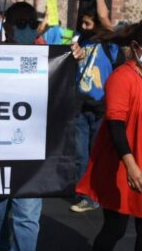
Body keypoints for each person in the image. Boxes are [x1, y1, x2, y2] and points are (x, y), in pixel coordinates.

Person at [0, 1, 84, 251]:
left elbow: (68, 91)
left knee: (27, 218)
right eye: (21, 24)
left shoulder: (49, 56)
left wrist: (74, 59)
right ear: (6, 26)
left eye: (32, 23)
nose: (28, 29)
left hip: (32, 154)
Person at [76, 21, 142, 250]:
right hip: (122, 165)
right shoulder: (121, 78)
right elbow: (116, 124)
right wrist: (131, 165)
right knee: (115, 228)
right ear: (136, 47)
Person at [70, 0, 124, 213]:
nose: (84, 27)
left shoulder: (109, 41)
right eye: (82, 22)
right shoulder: (82, 40)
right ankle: (86, 193)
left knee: (97, 153)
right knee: (81, 152)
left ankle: (96, 194)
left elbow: (103, 16)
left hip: (102, 107)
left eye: (88, 23)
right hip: (82, 105)